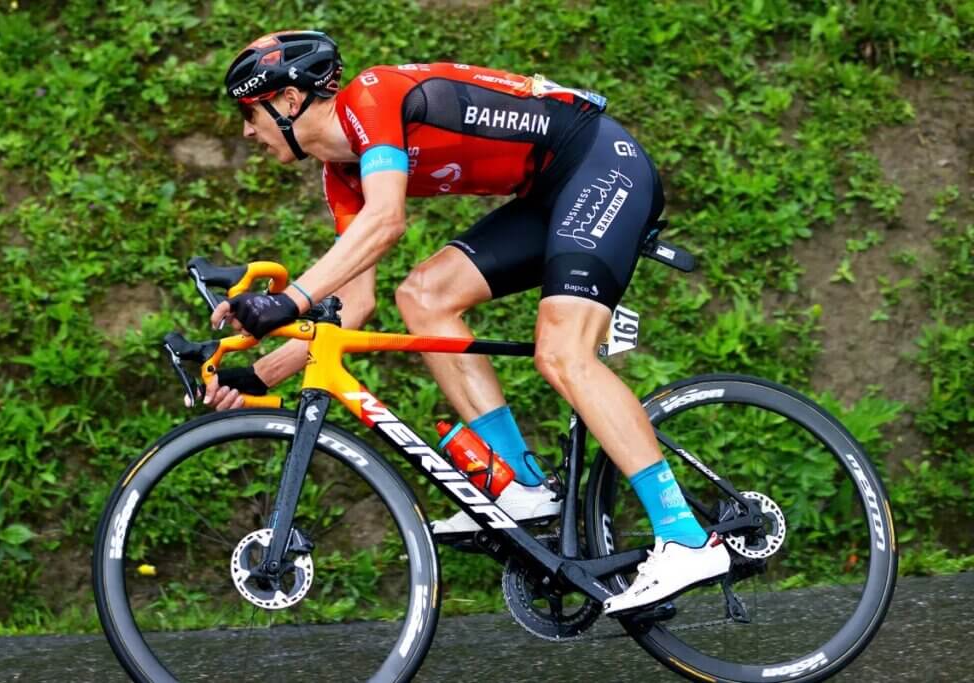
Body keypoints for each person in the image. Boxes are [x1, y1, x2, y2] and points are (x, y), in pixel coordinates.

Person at [206, 30, 729, 614]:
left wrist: (292, 298)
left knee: (562, 352)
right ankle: (524, 485)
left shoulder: (372, 98)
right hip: (548, 194)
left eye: (249, 113)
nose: (247, 131)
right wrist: (255, 376)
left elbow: (388, 221)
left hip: (601, 163)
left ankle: (684, 534)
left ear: (289, 100)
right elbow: (353, 307)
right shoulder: (341, 175)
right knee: (424, 295)